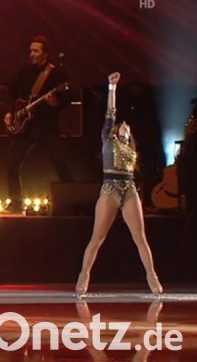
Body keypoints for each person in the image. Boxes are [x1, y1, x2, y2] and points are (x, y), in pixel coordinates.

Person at [75, 72, 162, 295]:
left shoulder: (132, 149)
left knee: (139, 236)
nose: (124, 124)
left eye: (127, 125)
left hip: (129, 189)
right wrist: (112, 88)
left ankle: (151, 276)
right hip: (110, 188)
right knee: (98, 237)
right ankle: (84, 275)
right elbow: (110, 113)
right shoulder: (108, 138)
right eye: (120, 124)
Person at [3, 35, 74, 212]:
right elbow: (11, 94)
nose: (32, 54)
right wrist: (9, 112)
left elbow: (67, 98)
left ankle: (73, 199)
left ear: (46, 53)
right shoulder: (24, 73)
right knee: (12, 163)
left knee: (59, 162)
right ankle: (16, 201)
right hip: (26, 127)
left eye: (36, 51)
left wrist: (55, 103)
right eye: (31, 50)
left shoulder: (57, 75)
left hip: (47, 126)